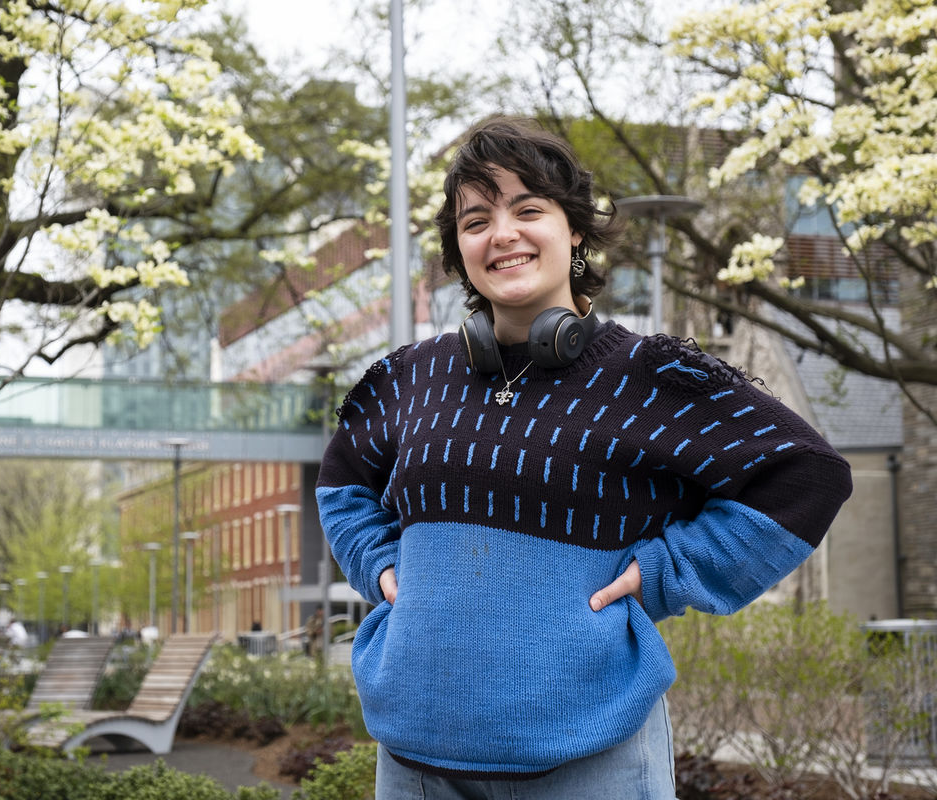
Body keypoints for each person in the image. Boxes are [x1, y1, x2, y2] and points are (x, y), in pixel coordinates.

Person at [314, 115, 853, 799]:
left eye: (527, 209)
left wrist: (666, 572)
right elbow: (341, 484)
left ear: (573, 231)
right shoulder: (409, 379)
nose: (501, 233)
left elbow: (807, 473)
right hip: (416, 764)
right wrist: (383, 570)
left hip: (591, 757)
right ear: (460, 251)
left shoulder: (647, 376)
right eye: (475, 220)